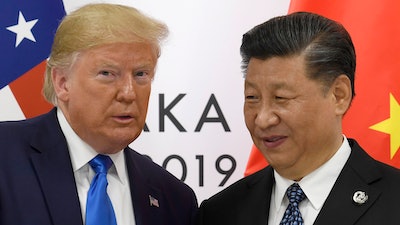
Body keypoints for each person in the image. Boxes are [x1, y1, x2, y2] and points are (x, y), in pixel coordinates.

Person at [0, 3, 197, 225]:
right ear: (63, 82)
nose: (129, 93)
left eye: (141, 74)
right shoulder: (5, 156)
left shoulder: (174, 199)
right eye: (107, 73)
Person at [196, 12, 400, 225]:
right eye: (252, 98)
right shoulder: (219, 212)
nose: (263, 120)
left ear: (339, 95)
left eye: (281, 98)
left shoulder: (394, 201)